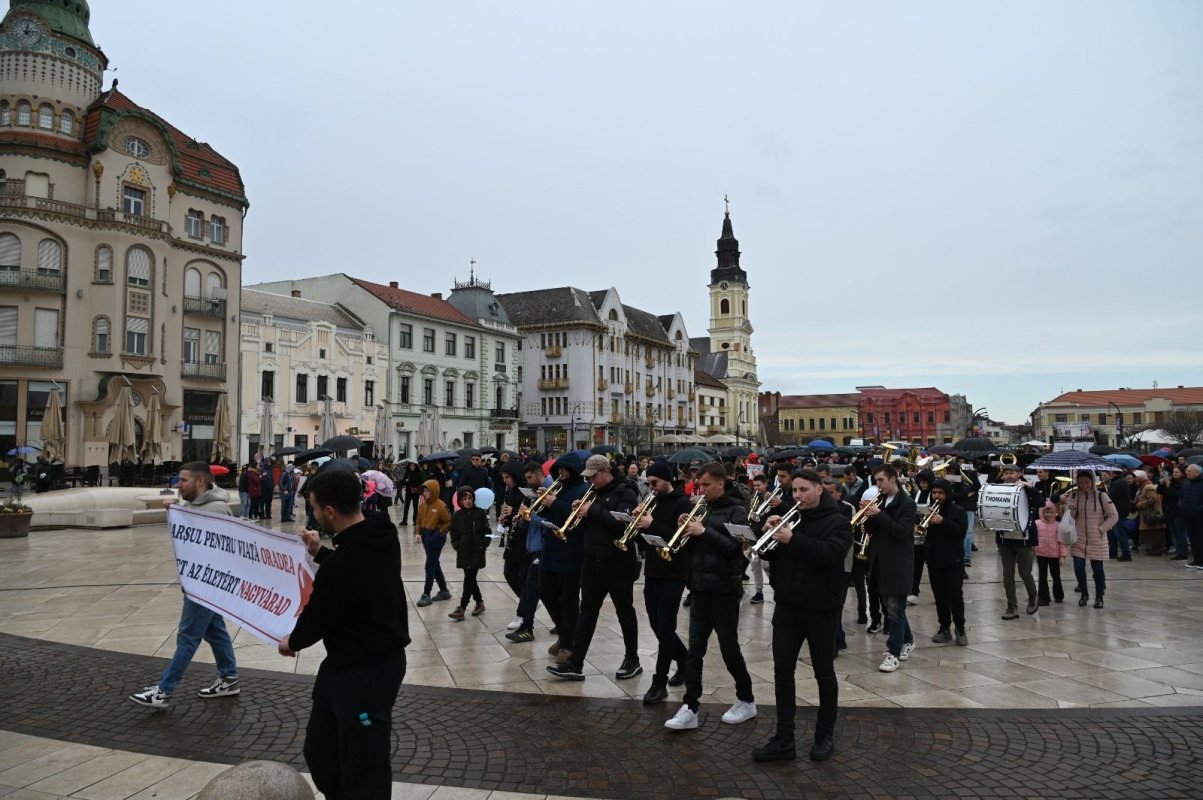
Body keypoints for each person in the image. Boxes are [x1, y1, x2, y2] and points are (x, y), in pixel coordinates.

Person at [279, 468, 409, 799]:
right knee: (321, 749)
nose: (314, 512)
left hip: (367, 670)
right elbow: (354, 569)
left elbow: (319, 615)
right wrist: (319, 552)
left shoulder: (345, 564)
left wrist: (290, 642)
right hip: (346, 666)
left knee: (365, 761)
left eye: (314, 506)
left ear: (330, 512)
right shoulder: (382, 534)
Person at [752, 469, 851, 762]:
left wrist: (791, 538)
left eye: (804, 489)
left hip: (820, 610)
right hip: (787, 607)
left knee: (824, 674)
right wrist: (767, 531)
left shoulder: (840, 522)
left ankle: (824, 735)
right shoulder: (791, 517)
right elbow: (772, 554)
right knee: (782, 672)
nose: (797, 496)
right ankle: (784, 739)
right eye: (794, 490)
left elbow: (829, 554)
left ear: (820, 489)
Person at [129, 462, 239, 707]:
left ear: (200, 482)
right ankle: (229, 677)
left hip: (207, 583)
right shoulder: (193, 506)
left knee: (188, 636)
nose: (178, 485)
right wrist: (176, 512)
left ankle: (164, 690)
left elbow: (226, 548)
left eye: (183, 480)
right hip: (197, 580)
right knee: (215, 632)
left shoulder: (216, 510)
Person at [665, 462, 757, 731]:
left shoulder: (737, 511)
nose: (700, 490)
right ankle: (690, 706)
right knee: (695, 651)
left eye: (706, 485)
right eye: (699, 485)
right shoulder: (703, 509)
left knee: (730, 649)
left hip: (725, 591)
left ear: (721, 483)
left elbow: (736, 550)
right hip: (700, 588)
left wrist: (704, 531)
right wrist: (685, 529)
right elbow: (695, 548)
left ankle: (746, 699)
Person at [548, 455, 642, 681]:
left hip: (618, 562)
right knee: (587, 614)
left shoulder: (626, 491)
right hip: (592, 562)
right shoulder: (593, 493)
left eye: (593, 476)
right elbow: (589, 527)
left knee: (624, 612)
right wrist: (578, 512)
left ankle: (632, 659)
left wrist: (592, 511)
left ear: (605, 471)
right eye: (588, 477)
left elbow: (623, 525)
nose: (590, 481)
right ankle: (575, 663)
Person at [634, 459, 691, 704]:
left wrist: (652, 524)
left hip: (674, 572)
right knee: (657, 626)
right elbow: (645, 541)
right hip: (654, 571)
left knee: (666, 627)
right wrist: (636, 526)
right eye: (648, 483)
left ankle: (659, 682)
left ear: (666, 480)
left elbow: (679, 541)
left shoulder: (683, 503)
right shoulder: (652, 502)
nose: (651, 487)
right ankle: (685, 659)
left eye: (654, 482)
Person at [861, 464, 916, 674]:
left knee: (894, 608)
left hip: (898, 563)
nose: (878, 485)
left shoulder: (907, 503)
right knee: (893, 607)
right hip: (879, 560)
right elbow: (872, 531)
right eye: (876, 481)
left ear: (893, 479)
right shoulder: (881, 501)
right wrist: (867, 515)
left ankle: (893, 653)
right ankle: (908, 640)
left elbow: (901, 531)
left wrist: (879, 514)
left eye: (881, 480)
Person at [539, 453, 590, 664]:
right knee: (546, 593)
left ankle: (569, 644)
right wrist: (542, 501)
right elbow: (548, 516)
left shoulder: (583, 491)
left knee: (569, 601)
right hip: (550, 551)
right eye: (558, 470)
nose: (560, 473)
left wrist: (553, 503)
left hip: (571, 553)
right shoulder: (559, 488)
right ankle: (564, 632)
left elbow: (575, 516)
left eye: (564, 470)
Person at [505, 462, 548, 643]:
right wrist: (519, 517)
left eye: (530, 477)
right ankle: (527, 625)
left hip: (540, 546)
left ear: (539, 474)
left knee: (535, 587)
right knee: (533, 586)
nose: (528, 481)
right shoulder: (531, 491)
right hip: (531, 543)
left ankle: (527, 624)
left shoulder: (547, 491)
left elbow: (547, 519)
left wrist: (526, 515)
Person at [923, 479, 969, 646]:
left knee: (955, 595)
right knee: (939, 596)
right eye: (934, 493)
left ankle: (960, 628)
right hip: (934, 559)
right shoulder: (929, 511)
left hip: (953, 560)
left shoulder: (959, 511)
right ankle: (944, 628)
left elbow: (961, 533)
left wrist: (943, 521)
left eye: (940, 493)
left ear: (947, 493)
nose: (937, 496)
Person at [1064, 470, 1119, 608]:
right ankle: (1084, 593)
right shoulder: (1074, 495)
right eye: (1081, 482)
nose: (1084, 485)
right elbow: (1069, 517)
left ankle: (1099, 596)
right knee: (1078, 567)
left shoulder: (1102, 496)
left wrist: (1101, 529)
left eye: (1087, 482)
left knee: (1098, 570)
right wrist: (1071, 508)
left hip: (1097, 539)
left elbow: (1114, 516)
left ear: (1092, 481)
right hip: (1079, 537)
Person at [995, 464, 1042, 619]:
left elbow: (1040, 503)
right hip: (1005, 537)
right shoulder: (999, 488)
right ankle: (1011, 606)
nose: (1008, 475)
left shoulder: (1027, 489)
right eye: (1006, 473)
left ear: (1019, 473)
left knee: (1025, 572)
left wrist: (1030, 487)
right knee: (1007, 574)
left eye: (1012, 473)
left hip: (1024, 537)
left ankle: (1033, 596)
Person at [448, 486, 489, 620]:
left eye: (470, 498)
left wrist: (484, 543)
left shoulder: (480, 513)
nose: (467, 501)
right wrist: (456, 545)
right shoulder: (457, 515)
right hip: (464, 551)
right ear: (460, 500)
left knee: (469, 579)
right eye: (464, 498)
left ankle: (462, 607)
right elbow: (453, 532)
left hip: (477, 551)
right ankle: (479, 602)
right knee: (470, 579)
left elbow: (486, 531)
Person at [414, 478, 452, 607]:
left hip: (436, 538)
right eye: (424, 490)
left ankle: (426, 594)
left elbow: (448, 521)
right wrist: (417, 533)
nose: (426, 493)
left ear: (434, 491)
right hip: (426, 536)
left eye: (428, 490)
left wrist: (439, 533)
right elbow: (418, 520)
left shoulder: (441, 505)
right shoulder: (423, 505)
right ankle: (444, 590)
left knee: (429, 566)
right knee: (435, 564)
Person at [907, 469, 936, 606]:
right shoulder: (916, 493)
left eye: (925, 483)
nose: (923, 485)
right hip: (918, 534)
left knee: (934, 566)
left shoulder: (934, 494)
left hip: (932, 533)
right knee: (915, 565)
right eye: (921, 483)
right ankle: (913, 592)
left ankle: (938, 592)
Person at [1033, 501, 1067, 606]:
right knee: (1042, 576)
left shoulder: (1058, 525)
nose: (1048, 514)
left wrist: (1062, 556)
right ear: (1042, 512)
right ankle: (1043, 598)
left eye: (1051, 512)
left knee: (1056, 575)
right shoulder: (1037, 524)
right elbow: (1034, 539)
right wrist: (1032, 551)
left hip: (1054, 555)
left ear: (1055, 513)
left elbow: (1062, 541)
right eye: (1046, 512)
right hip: (1041, 554)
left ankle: (1058, 595)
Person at [746, 473, 773, 604]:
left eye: (759, 485)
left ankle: (777, 587)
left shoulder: (770, 498)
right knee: (754, 567)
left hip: (764, 538)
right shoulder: (753, 497)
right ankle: (758, 592)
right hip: (752, 537)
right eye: (754, 485)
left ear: (765, 484)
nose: (756, 488)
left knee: (766, 566)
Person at [1107, 471, 1133, 560]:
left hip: (1119, 511)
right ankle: (1113, 552)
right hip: (1118, 510)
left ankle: (1126, 553)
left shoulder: (1119, 483)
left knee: (1119, 532)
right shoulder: (1118, 481)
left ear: (1114, 473)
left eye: (1110, 473)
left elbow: (1111, 496)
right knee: (1113, 533)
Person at [1181, 464, 1203, 569]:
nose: (1187, 473)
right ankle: (1196, 560)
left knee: (1200, 538)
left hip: (1199, 516)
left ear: (1197, 472)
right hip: (1187, 516)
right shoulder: (1186, 483)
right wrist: (1180, 505)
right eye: (1187, 471)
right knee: (1193, 539)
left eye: (1190, 471)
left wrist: (1198, 509)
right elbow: (1181, 497)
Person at [1136, 481, 1166, 557]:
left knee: (1153, 532)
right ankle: (1154, 549)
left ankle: (1156, 549)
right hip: (1152, 515)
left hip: (1152, 514)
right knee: (1152, 533)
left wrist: (1141, 504)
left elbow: (1153, 499)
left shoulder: (1148, 488)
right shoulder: (1145, 488)